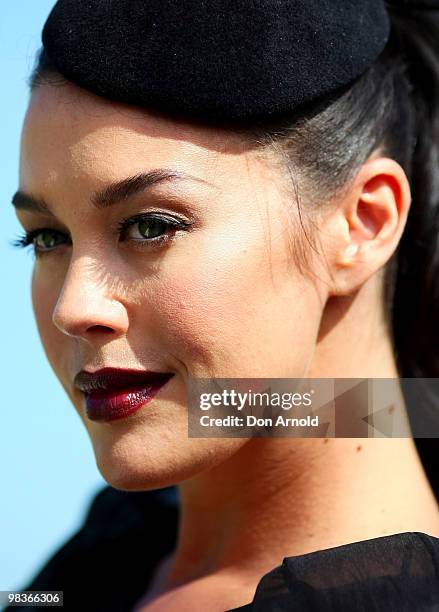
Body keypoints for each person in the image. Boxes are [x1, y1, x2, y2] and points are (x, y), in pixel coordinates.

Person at [6, 0, 439, 610]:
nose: (73, 308)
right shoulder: (107, 554)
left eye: (150, 226)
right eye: (48, 237)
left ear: (361, 225)